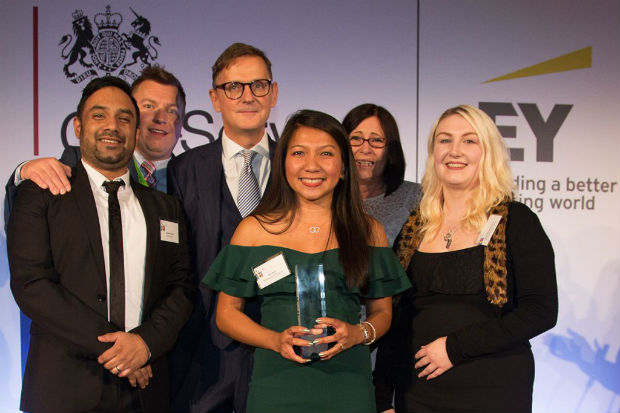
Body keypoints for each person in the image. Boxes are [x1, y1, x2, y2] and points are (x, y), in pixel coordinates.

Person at [6, 76, 194, 412]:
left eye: (124, 118)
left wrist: (145, 345)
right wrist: (123, 352)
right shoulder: (42, 193)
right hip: (63, 389)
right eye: (99, 116)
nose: (113, 127)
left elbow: (181, 290)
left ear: (136, 131)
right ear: (77, 126)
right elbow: (32, 284)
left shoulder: (166, 208)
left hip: (146, 390)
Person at [203, 109, 411, 413]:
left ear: (343, 167)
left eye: (326, 153)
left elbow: (382, 312)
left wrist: (358, 333)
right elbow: (226, 315)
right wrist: (275, 341)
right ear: (283, 163)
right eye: (299, 153)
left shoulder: (369, 231)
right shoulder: (253, 230)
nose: (311, 165)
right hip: (275, 387)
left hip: (349, 388)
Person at [373, 104, 558, 412]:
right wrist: (382, 399)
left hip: (493, 390)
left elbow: (540, 310)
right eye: (444, 140)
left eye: (469, 140)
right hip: (418, 392)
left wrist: (454, 348)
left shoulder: (516, 220)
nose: (454, 151)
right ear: (433, 152)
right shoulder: (416, 226)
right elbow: (397, 317)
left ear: (488, 152)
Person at [166, 42, 278, 412]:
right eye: (234, 87)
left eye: (258, 85)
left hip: (281, 344)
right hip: (206, 354)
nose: (247, 96)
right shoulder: (185, 169)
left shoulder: (298, 166)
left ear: (273, 93)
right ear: (215, 98)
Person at [4, 64, 185, 223]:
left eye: (171, 110)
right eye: (148, 106)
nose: (159, 118)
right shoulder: (77, 159)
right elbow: (26, 222)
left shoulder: (192, 177)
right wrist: (24, 172)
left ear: (181, 123)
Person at [342, 104, 421, 246]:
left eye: (377, 140)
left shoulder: (418, 197)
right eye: (355, 138)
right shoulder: (326, 198)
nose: (365, 149)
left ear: (390, 149)